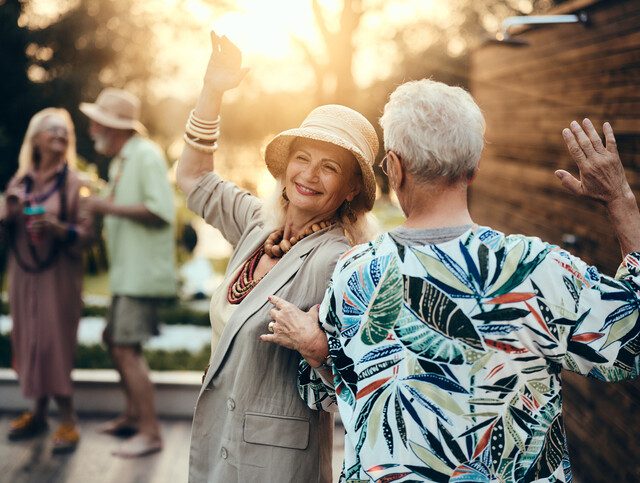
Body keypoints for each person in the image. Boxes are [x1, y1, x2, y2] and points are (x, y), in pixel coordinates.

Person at [266, 79, 640, 482]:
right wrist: (620, 198)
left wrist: (317, 347)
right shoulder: (536, 268)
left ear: (394, 166)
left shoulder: (355, 272)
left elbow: (322, 393)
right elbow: (630, 344)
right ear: (474, 169)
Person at [176, 32, 379, 482]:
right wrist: (212, 93)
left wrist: (317, 346)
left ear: (350, 190)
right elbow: (192, 177)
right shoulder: (256, 225)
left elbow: (359, 377)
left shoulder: (340, 261)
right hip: (219, 444)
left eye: (330, 167)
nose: (309, 175)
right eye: (302, 158)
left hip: (276, 466)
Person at [80, 88, 177, 457]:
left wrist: (105, 205)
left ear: (112, 127)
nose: (90, 129)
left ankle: (150, 432)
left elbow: (160, 209)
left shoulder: (146, 155)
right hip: (127, 274)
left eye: (96, 123)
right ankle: (133, 417)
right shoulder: (122, 160)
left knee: (124, 348)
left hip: (142, 275)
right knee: (114, 340)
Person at [2, 108, 93, 453]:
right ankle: (37, 413)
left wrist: (57, 228)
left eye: (65, 132)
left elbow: (87, 235)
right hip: (23, 275)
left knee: (53, 342)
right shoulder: (20, 181)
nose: (60, 136)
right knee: (28, 341)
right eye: (53, 130)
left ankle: (68, 419)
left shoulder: (75, 183)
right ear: (37, 138)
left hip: (59, 276)